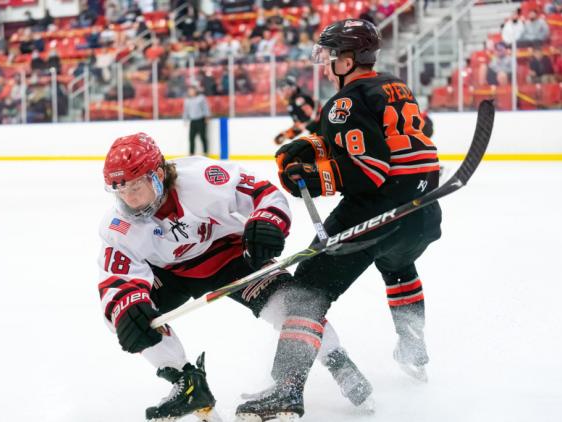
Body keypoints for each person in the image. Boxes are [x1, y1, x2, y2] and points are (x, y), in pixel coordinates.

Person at [236, 19, 442, 420]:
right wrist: (312, 143)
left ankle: (287, 389)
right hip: (423, 211)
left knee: (305, 292)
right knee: (397, 264)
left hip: (376, 212)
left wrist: (310, 179)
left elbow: (369, 170)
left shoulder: (345, 100)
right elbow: (365, 140)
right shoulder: (393, 86)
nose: (326, 67)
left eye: (330, 58)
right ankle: (412, 344)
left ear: (348, 59)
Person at [97, 133, 374, 421]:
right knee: (123, 316)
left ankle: (338, 362)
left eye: (137, 186)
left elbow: (266, 194)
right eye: (120, 189)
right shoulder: (117, 226)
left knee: (296, 304)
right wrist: (126, 304)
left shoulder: (203, 179)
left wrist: (268, 221)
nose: (129, 198)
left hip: (229, 257)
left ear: (158, 175)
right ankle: (187, 382)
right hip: (170, 274)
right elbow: (117, 277)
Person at [274, 75, 321, 145]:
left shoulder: (299, 100)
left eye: (283, 89)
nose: (282, 92)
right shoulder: (292, 103)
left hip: (322, 131)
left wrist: (302, 126)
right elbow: (301, 124)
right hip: (316, 133)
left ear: (291, 88)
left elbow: (316, 118)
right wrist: (287, 133)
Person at [183, 85, 210, 156]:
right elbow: (186, 111)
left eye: (192, 90)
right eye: (189, 91)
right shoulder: (187, 100)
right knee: (191, 138)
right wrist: (185, 119)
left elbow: (205, 107)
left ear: (195, 91)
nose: (190, 92)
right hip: (193, 121)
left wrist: (207, 117)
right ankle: (191, 153)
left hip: (201, 120)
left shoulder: (201, 98)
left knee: (203, 137)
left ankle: (205, 152)